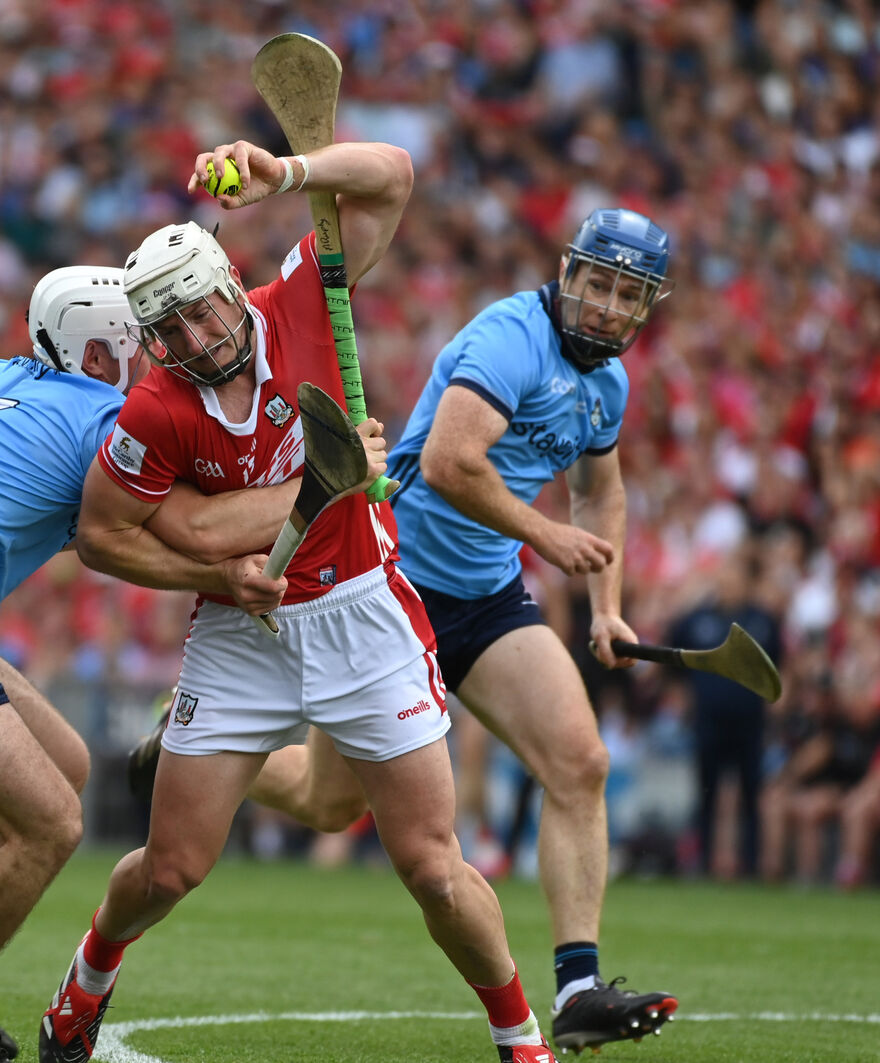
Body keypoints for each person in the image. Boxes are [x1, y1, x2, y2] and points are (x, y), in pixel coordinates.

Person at [38, 140, 558, 1063]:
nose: (197, 339)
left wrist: (288, 173)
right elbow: (113, 535)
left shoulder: (307, 301)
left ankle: (521, 1039)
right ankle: (84, 984)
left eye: (202, 312)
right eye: (172, 331)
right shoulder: (155, 409)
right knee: (170, 868)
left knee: (434, 869)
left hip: (363, 611)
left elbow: (393, 175)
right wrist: (221, 569)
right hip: (242, 630)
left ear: (230, 286)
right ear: (149, 340)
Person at [0, 265, 290, 1063]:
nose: (152, 361)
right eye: (138, 346)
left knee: (63, 765)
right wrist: (321, 483)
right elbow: (197, 528)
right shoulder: (104, 417)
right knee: (51, 824)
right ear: (98, 353)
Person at [383, 207, 679, 1054]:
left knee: (580, 763)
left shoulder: (607, 383)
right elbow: (448, 460)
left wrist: (608, 606)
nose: (610, 305)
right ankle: (185, 741)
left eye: (631, 293)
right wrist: (546, 537)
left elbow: (601, 493)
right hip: (391, 585)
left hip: (483, 597)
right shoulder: (511, 338)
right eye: (600, 282)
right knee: (326, 803)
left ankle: (579, 988)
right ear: (568, 271)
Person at [666, 548, 783, 878]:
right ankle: (702, 862)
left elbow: (778, 667)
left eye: (734, 578)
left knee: (751, 794)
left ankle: (751, 864)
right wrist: (681, 696)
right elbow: (674, 656)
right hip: (708, 720)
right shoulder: (698, 618)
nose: (728, 584)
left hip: (750, 722)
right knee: (706, 792)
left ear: (747, 583)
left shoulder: (762, 620)